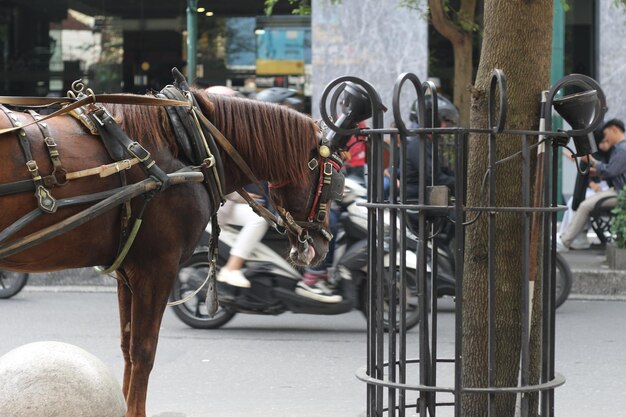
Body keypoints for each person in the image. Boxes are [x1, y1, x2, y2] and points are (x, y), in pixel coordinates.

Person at [558, 119, 626, 251]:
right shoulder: (620, 149)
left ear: (614, 129)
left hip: (619, 194)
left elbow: (611, 170)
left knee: (585, 205)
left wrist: (592, 161)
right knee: (586, 203)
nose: (605, 138)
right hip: (617, 191)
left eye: (606, 135)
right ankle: (569, 238)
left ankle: (565, 241)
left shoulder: (622, 149)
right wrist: (599, 173)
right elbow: (614, 172)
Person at [216, 184, 270, 287]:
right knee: (258, 220)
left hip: (246, 204)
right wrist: (244, 197)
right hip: (225, 205)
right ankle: (231, 268)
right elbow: (221, 183)